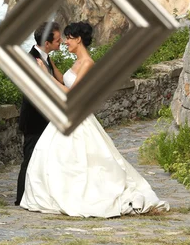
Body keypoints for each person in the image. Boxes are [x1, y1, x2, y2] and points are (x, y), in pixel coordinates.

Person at [20, 21, 169, 217]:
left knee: (80, 160)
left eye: (69, 38)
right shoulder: (76, 62)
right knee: (57, 157)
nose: (65, 42)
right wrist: (50, 66)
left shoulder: (88, 63)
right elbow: (64, 81)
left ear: (79, 39)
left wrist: (44, 76)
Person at [15, 21, 63, 206]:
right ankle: (20, 199)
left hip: (45, 121)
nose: (60, 42)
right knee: (29, 160)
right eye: (57, 40)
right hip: (35, 120)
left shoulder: (46, 58)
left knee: (43, 161)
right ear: (47, 42)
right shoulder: (31, 60)